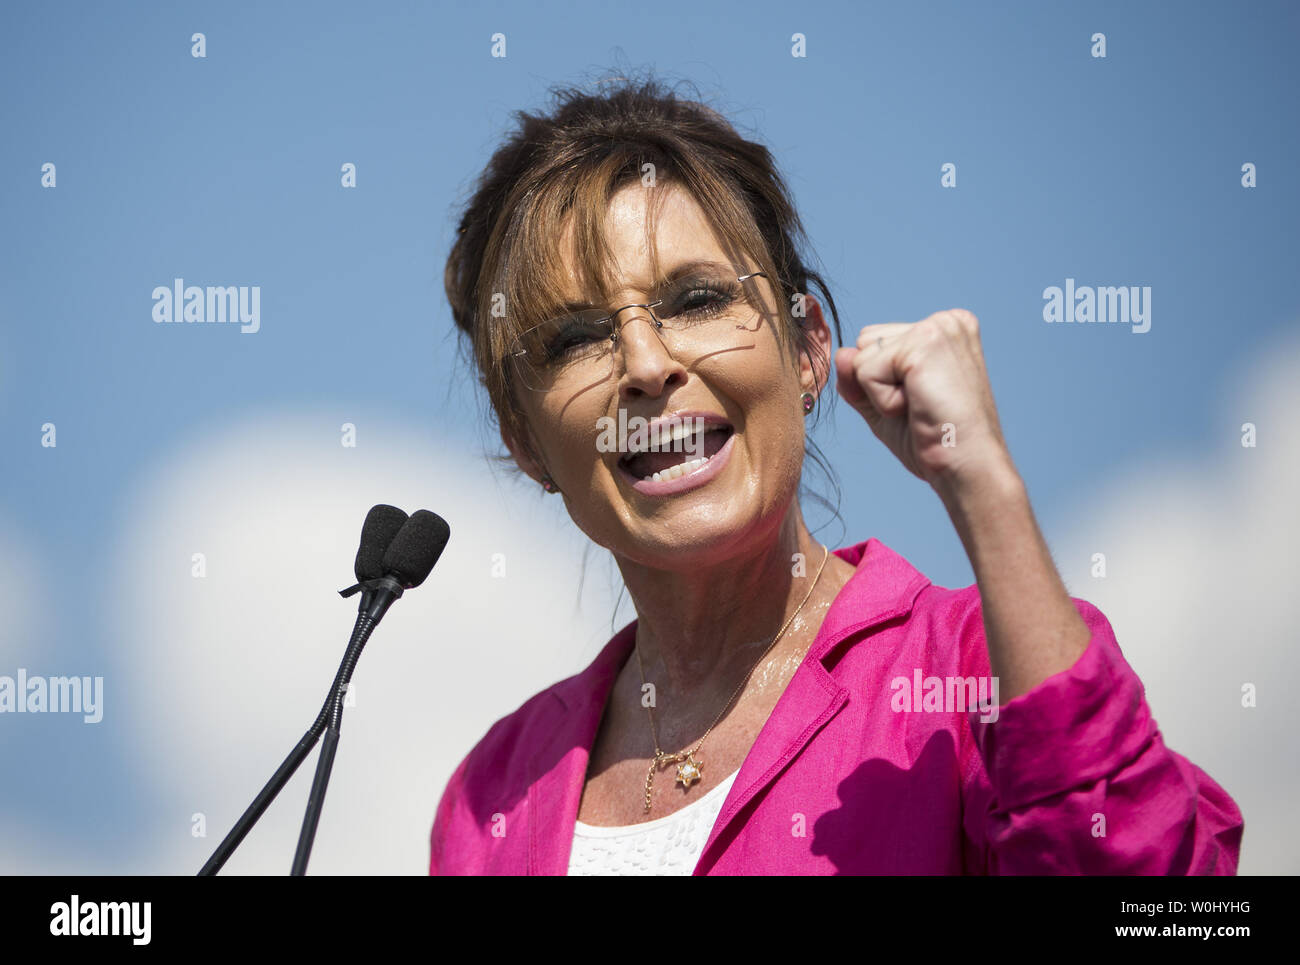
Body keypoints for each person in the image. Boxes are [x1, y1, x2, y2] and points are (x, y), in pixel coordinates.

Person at [431, 73, 1243, 874]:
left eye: (698, 299)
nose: (646, 364)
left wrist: (986, 488)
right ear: (527, 442)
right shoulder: (493, 792)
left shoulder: (972, 679)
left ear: (809, 347)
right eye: (576, 337)